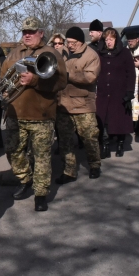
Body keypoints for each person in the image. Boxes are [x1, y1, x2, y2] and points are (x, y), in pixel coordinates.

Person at [1, 16, 67, 211]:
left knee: (41, 157)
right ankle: (25, 179)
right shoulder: (14, 53)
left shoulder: (51, 53)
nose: (27, 35)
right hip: (15, 114)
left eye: (31, 32)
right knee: (13, 151)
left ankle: (40, 194)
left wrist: (35, 81)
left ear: (41, 33)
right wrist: (4, 90)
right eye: (24, 32)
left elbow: (61, 83)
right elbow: (3, 77)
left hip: (41, 115)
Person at [56, 26, 101, 182]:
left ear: (81, 42)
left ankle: (95, 165)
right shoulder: (61, 52)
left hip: (83, 105)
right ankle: (69, 171)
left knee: (89, 138)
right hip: (63, 104)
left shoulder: (91, 55)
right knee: (65, 141)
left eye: (73, 42)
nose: (70, 45)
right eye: (68, 42)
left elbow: (90, 77)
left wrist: (68, 74)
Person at [96, 28, 137, 158]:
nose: (108, 42)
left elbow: (131, 73)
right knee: (104, 120)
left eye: (111, 39)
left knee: (120, 121)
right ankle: (106, 145)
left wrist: (130, 91)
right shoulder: (100, 54)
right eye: (106, 39)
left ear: (116, 40)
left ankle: (120, 144)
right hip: (103, 93)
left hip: (119, 93)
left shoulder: (124, 53)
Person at [126, 33, 139, 136]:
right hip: (130, 80)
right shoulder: (126, 50)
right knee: (131, 104)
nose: (130, 43)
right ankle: (132, 125)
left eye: (131, 41)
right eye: (128, 41)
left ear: (137, 39)